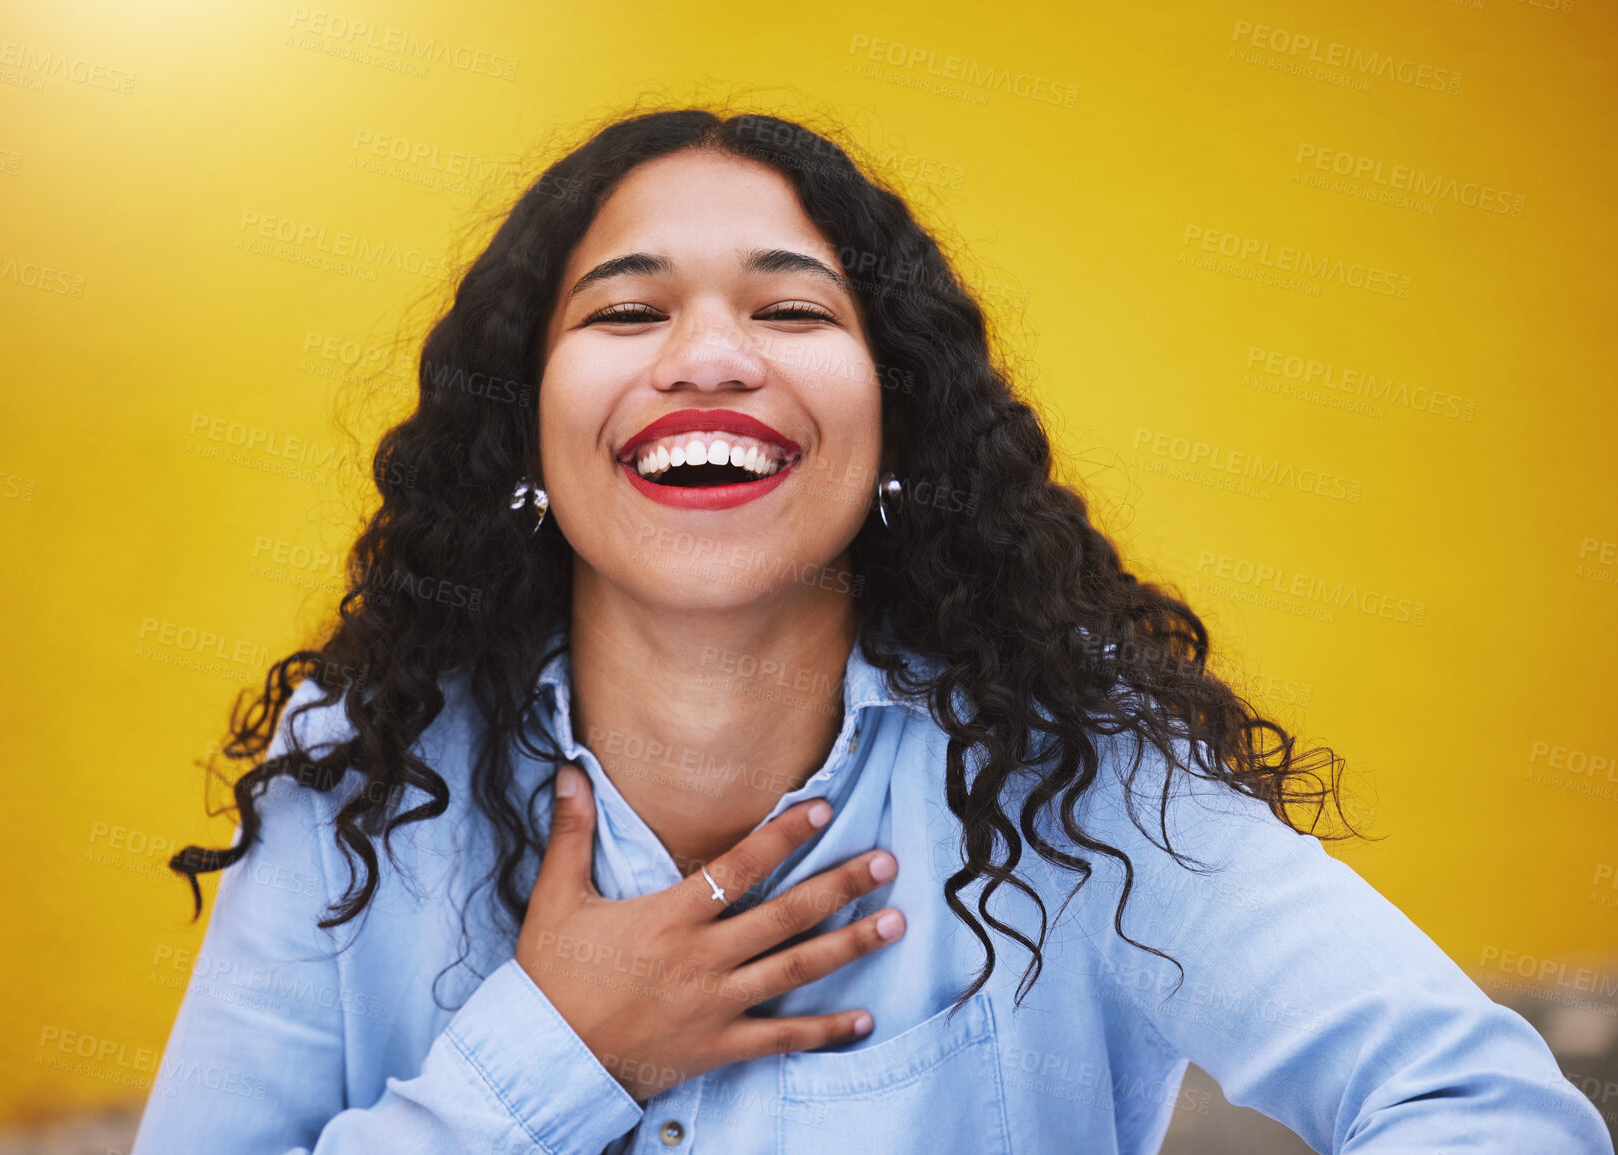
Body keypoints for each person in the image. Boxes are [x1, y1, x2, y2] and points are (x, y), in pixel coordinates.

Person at [131, 109, 1612, 1154]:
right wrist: (560, 1053)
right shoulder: (361, 778)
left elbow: (1483, 1105)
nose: (709, 357)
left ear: (897, 424)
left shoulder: (1072, 766)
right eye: (625, 313)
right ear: (523, 430)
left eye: (791, 312)